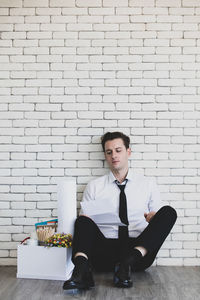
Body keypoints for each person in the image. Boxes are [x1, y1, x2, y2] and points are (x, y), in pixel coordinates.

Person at [63, 131, 177, 290]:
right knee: (82, 220)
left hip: (137, 253)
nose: (113, 156)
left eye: (118, 150)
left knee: (169, 212)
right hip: (104, 251)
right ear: (105, 155)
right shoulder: (94, 186)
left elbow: (158, 220)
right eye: (109, 152)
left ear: (128, 152)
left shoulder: (147, 184)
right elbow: (86, 226)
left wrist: (153, 218)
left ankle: (125, 265)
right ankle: (81, 270)